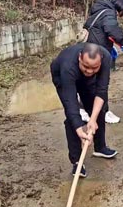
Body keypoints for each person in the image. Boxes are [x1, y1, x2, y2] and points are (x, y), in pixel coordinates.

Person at [50, 43, 118, 177]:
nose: (89, 71)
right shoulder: (68, 66)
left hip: (86, 81)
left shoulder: (106, 58)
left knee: (98, 109)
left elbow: (101, 90)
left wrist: (92, 119)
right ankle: (77, 162)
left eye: (94, 68)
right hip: (61, 77)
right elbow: (70, 101)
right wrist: (79, 128)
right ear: (80, 57)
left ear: (101, 61)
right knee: (73, 118)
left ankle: (100, 147)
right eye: (86, 66)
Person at [83, 0, 123, 124]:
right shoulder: (109, 13)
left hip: (90, 50)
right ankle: (103, 112)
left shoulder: (101, 9)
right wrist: (122, 43)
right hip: (97, 53)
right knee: (101, 83)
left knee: (90, 82)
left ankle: (87, 110)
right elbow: (111, 29)